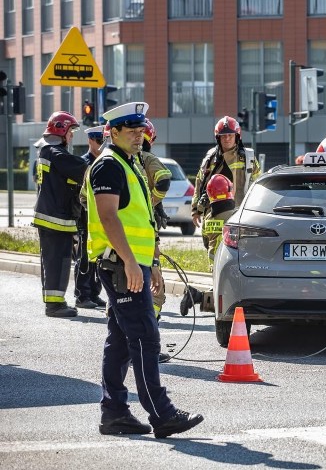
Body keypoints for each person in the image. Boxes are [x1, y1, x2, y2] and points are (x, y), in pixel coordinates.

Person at [84, 101, 203, 438]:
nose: (140, 135)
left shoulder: (128, 162)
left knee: (121, 340)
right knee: (145, 338)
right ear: (114, 132)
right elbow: (108, 217)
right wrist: (132, 263)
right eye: (132, 130)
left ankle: (114, 414)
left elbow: (141, 220)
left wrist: (151, 264)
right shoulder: (109, 165)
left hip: (131, 264)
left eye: (141, 129)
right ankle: (162, 414)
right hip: (121, 266)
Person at [183, 116, 259, 312]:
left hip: (242, 212)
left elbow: (257, 183)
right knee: (216, 253)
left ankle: (224, 295)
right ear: (218, 138)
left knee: (241, 254)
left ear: (237, 136)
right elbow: (200, 182)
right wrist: (196, 209)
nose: (227, 139)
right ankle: (219, 296)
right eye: (223, 136)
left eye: (230, 136)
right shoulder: (211, 158)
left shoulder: (248, 158)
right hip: (215, 212)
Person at [33, 111, 88, 318]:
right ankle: (55, 306)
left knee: (52, 262)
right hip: (56, 218)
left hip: (51, 216)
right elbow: (82, 168)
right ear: (62, 131)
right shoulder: (55, 153)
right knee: (58, 262)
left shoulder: (46, 152)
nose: (72, 136)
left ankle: (55, 302)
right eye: (70, 131)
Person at [180, 175, 236, 316]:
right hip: (229, 261)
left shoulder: (208, 218)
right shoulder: (235, 216)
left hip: (213, 261)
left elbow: (206, 242)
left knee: (223, 294)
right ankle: (195, 296)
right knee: (229, 300)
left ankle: (195, 296)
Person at [136, 118, 172, 319]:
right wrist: (153, 203)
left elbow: (83, 198)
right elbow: (164, 180)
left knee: (119, 292)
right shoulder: (147, 158)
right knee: (155, 290)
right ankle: (149, 331)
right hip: (144, 238)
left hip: (109, 241)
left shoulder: (107, 162)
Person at [74, 125, 107, 309]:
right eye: (99, 141)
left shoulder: (105, 161)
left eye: (104, 141)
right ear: (90, 141)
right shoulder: (84, 162)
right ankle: (81, 295)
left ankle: (94, 293)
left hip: (100, 218)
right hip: (85, 218)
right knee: (85, 259)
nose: (102, 145)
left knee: (99, 257)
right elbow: (80, 195)